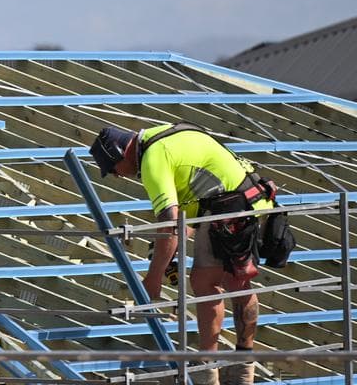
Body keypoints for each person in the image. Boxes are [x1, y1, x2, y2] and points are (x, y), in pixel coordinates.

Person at [90, 122, 277, 385]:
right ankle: (244, 364)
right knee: (238, 282)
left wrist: (152, 281)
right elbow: (190, 206)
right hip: (252, 198)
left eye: (112, 169)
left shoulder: (152, 160)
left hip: (229, 207)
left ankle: (206, 367)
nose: (116, 175)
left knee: (204, 281)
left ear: (120, 152)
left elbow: (170, 223)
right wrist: (169, 250)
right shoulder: (162, 136)